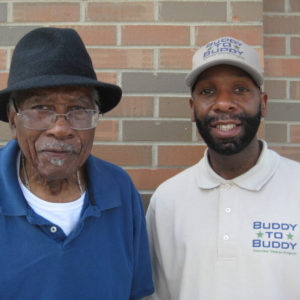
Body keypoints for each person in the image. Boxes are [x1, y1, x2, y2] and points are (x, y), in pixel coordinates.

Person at [0, 27, 154, 299]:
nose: (61, 129)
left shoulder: (119, 189)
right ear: (14, 121)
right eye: (42, 108)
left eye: (78, 110)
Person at [146, 36, 300, 299]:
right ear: (193, 109)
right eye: (208, 91)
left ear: (263, 103)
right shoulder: (167, 200)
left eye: (240, 89)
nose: (224, 103)